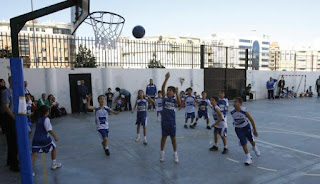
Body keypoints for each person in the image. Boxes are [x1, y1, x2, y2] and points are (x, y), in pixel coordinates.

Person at [31, 105, 61, 176]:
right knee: (54, 147)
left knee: (34, 154)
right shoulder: (46, 119)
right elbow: (49, 129)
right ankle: (54, 164)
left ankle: (29, 170)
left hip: (36, 139)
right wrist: (55, 136)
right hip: (44, 139)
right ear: (47, 112)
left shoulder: (38, 119)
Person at [230, 97, 260, 165]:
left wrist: (255, 130)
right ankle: (248, 158)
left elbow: (252, 120)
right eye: (234, 102)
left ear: (240, 103)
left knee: (251, 140)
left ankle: (255, 147)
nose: (234, 103)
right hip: (238, 129)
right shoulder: (232, 112)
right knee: (243, 143)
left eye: (236, 102)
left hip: (246, 127)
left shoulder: (244, 111)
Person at [160, 72, 181, 163]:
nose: (168, 91)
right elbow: (162, 88)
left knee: (173, 138)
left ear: (173, 92)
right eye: (168, 90)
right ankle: (162, 153)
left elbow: (180, 104)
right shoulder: (165, 99)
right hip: (164, 121)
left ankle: (175, 153)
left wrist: (177, 94)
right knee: (164, 137)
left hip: (172, 122)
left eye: (170, 90)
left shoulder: (174, 99)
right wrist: (166, 79)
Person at [2, 76, 19, 172]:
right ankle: (14, 164)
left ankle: (10, 160)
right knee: (13, 141)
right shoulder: (6, 92)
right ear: (10, 81)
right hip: (10, 118)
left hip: (16, 117)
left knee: (14, 140)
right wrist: (13, 117)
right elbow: (6, 107)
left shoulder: (16, 92)